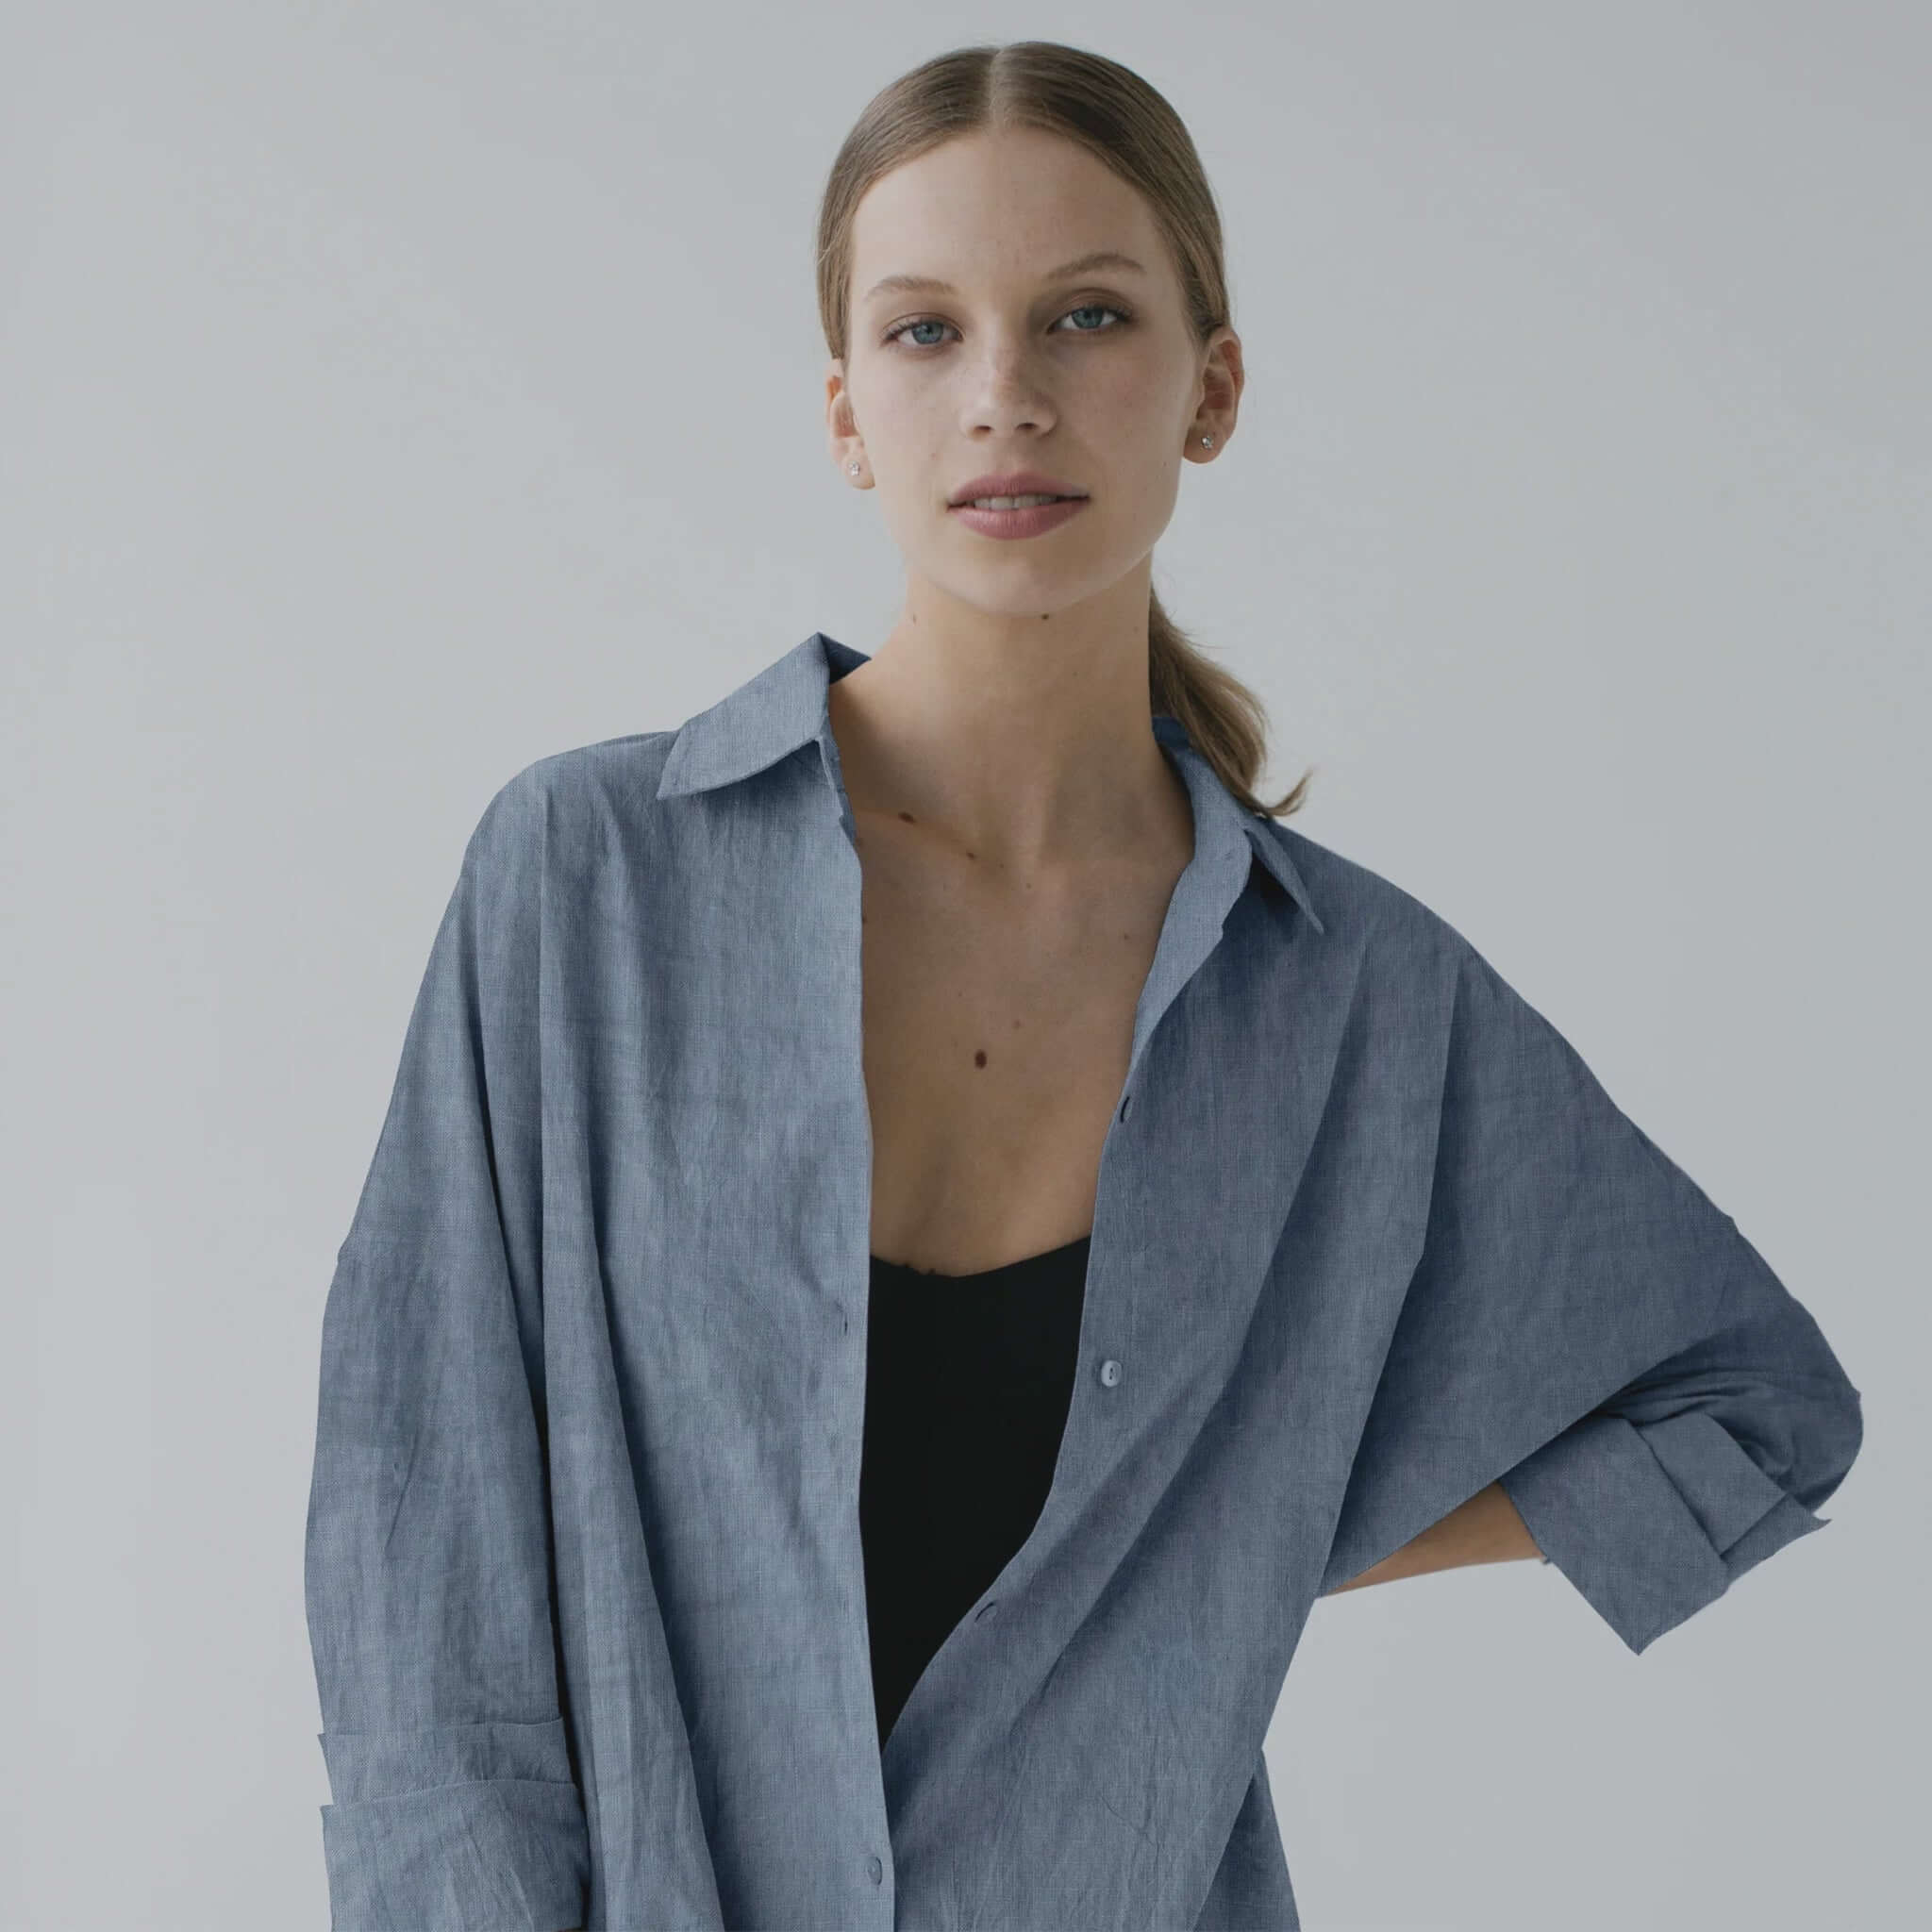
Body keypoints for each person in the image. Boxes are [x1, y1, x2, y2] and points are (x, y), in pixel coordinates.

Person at [303, 40, 1863, 1932]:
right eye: (923, 333)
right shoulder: (583, 884)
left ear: (1208, 390)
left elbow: (1755, 1412)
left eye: (1085, 317)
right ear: (842, 414)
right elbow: (427, 1594)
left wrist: (1242, 1528)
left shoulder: (1355, 1002)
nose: (1006, 399)